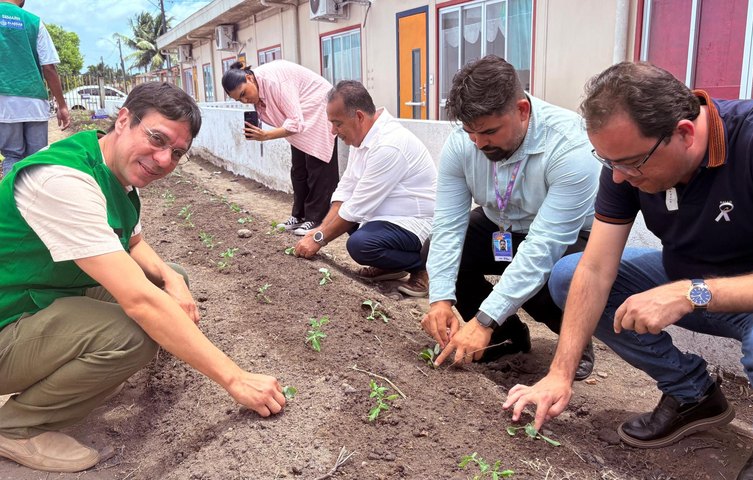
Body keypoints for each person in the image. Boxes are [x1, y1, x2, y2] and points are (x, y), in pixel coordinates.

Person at [0, 82, 285, 474]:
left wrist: (173, 279)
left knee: (165, 283)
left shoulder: (112, 167)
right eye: (156, 138)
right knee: (133, 332)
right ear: (123, 120)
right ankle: (14, 428)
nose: (164, 159)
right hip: (8, 321)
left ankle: (78, 370)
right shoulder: (63, 181)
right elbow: (139, 302)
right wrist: (235, 378)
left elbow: (135, 244)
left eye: (177, 153)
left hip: (36, 298)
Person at [504, 62, 753, 479]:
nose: (619, 177)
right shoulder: (624, 161)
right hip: (688, 279)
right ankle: (692, 395)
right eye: (608, 161)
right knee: (569, 274)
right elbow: (595, 269)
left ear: (684, 133)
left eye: (631, 163)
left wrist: (689, 293)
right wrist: (560, 373)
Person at [423, 55, 599, 380]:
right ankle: (508, 337)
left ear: (522, 110)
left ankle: (574, 339)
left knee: (555, 277)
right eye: (470, 132)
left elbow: (543, 246)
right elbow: (449, 224)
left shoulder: (570, 146)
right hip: (500, 225)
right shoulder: (464, 142)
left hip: (566, 237)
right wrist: (441, 299)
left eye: (489, 132)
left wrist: (482, 319)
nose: (478, 143)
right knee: (437, 250)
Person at [293, 80, 436, 297]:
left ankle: (423, 265)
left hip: (417, 222)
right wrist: (320, 229)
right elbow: (346, 189)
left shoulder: (389, 145)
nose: (333, 130)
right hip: (388, 216)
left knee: (361, 244)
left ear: (359, 116)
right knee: (344, 223)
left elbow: (357, 207)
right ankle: (390, 266)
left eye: (337, 123)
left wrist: (319, 239)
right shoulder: (363, 137)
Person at [222, 60, 339, 235]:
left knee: (318, 166)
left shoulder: (274, 82)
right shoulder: (258, 87)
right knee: (299, 168)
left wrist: (267, 135)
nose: (245, 100)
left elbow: (295, 121)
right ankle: (299, 216)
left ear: (249, 78)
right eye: (240, 100)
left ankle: (315, 219)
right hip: (300, 113)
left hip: (319, 106)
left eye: (244, 93)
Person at [0, 0, 70, 176]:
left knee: (12, 156)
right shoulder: (34, 21)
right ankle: (35, 200)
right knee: (38, 158)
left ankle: (11, 202)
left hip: (4, 103)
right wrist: (61, 105)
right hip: (34, 101)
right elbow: (49, 68)